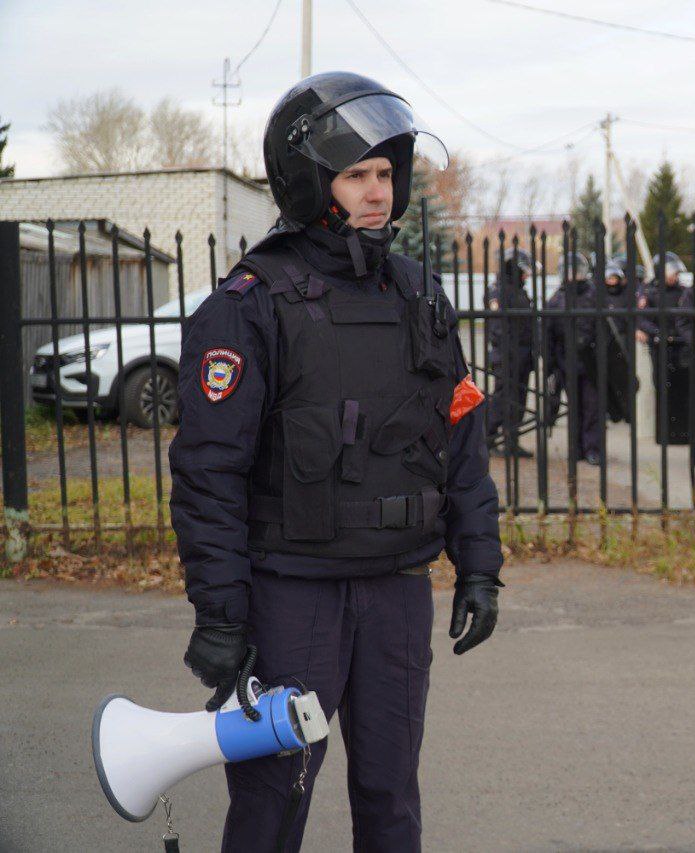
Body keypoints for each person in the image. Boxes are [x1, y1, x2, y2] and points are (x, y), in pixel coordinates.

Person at [170, 71, 502, 852]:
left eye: (385, 173)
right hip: (292, 597)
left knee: (391, 800)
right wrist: (221, 611)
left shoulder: (419, 295)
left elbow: (458, 439)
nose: (376, 191)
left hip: (396, 592)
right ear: (312, 180)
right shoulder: (251, 302)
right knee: (271, 803)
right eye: (356, 174)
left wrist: (480, 565)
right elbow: (208, 472)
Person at [547, 251, 602, 464]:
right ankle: (576, 448)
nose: (573, 276)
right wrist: (550, 364)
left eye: (576, 271)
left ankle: (592, 448)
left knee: (592, 407)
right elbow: (548, 335)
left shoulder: (594, 295)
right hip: (566, 362)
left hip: (591, 362)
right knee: (575, 407)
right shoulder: (556, 299)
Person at [637, 251, 695, 444]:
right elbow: (641, 319)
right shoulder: (650, 293)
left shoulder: (683, 291)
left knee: (683, 388)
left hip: (681, 345)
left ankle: (683, 433)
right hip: (661, 346)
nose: (675, 276)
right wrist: (658, 333)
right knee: (663, 387)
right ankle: (665, 434)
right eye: (671, 272)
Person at [485, 246, 536, 457]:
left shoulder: (519, 289)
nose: (526, 274)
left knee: (518, 398)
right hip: (506, 354)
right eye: (523, 270)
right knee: (502, 397)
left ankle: (511, 439)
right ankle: (486, 436)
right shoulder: (498, 291)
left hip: (523, 354)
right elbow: (498, 329)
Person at [598, 261, 639, 423]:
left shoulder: (627, 296)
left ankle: (628, 411)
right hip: (606, 342)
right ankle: (612, 411)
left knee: (626, 377)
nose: (612, 282)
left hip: (624, 340)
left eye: (615, 278)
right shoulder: (599, 297)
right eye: (610, 278)